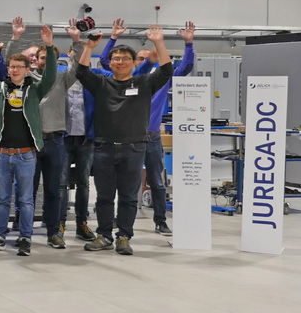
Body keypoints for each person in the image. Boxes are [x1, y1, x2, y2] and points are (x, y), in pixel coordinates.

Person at [76, 24, 174, 256]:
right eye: (116, 58)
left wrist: (158, 43)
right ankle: (105, 235)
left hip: (134, 147)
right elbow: (81, 72)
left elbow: (167, 70)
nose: (120, 62)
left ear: (133, 62)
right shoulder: (101, 84)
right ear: (110, 63)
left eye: (125, 58)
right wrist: (90, 47)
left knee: (129, 197)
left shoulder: (144, 84)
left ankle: (124, 237)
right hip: (104, 149)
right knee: (104, 197)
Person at [99, 20, 197, 237]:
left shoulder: (160, 81)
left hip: (151, 137)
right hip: (126, 139)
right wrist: (113, 38)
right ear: (134, 62)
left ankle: (160, 221)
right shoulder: (122, 80)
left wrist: (188, 44)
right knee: (121, 185)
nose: (144, 61)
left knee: (157, 182)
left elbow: (186, 67)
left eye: (146, 58)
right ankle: (119, 220)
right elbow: (105, 62)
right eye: (140, 59)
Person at [0, 25, 58, 257]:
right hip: (1, 153)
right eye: (12, 67)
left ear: (26, 68)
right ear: (8, 69)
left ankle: (25, 238)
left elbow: (51, 75)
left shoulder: (35, 90)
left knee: (26, 200)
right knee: (2, 199)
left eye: (19, 67)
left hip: (26, 154)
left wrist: (49, 47)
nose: (15, 70)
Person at [27, 29, 81, 250]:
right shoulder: (27, 79)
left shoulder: (62, 78)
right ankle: (25, 231)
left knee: (53, 189)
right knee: (27, 190)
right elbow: (6, 69)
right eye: (42, 58)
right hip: (31, 142)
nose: (45, 61)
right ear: (36, 60)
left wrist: (77, 42)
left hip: (56, 141)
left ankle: (53, 232)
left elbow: (78, 68)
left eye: (49, 58)